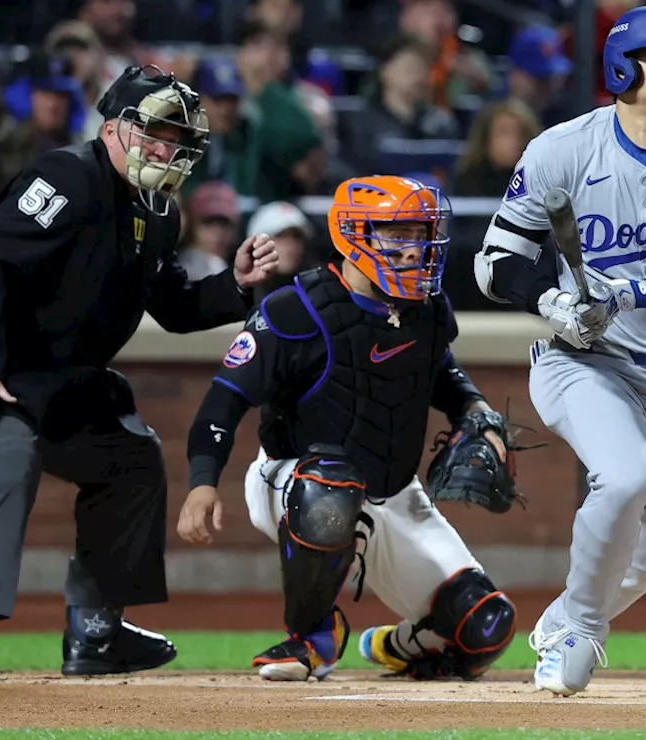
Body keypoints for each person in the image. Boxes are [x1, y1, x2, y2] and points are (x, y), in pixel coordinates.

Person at [0, 64, 279, 683]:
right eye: (156, 133)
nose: (168, 149)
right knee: (6, 455)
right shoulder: (65, 176)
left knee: (131, 457)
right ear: (113, 128)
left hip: (59, 377)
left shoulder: (159, 213)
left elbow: (171, 307)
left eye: (179, 139)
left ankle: (96, 630)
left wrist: (236, 286)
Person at [475, 4, 646, 695]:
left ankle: (565, 618)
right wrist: (550, 300)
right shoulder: (562, 149)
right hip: (585, 361)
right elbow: (495, 263)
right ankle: (580, 637)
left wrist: (625, 292)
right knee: (626, 477)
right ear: (619, 68)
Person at [177, 176, 520, 683]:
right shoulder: (295, 310)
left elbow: (440, 371)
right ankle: (312, 634)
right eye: (398, 234)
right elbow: (222, 402)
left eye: (421, 235)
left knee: (486, 626)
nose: (415, 250)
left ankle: (394, 645)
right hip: (295, 479)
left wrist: (475, 411)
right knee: (331, 486)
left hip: (393, 492)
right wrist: (202, 483)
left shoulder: (427, 309)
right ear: (353, 234)